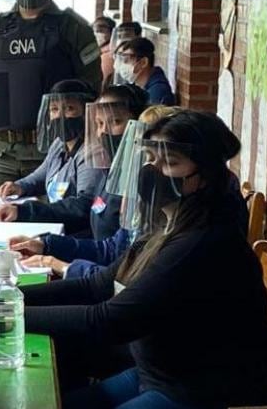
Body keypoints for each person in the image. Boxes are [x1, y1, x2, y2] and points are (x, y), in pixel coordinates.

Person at [22, 110, 267, 409]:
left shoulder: (203, 243)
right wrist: (4, 299)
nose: (153, 171)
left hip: (201, 399)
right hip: (157, 377)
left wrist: (10, 317)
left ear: (202, 176)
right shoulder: (167, 226)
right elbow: (98, 285)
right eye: (150, 159)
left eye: (169, 163)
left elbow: (109, 320)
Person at [0, 0, 102, 189]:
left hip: (52, 150)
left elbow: (90, 90)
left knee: (49, 219)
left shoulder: (74, 29)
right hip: (0, 152)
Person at [11, 105, 183, 279]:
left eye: (169, 162)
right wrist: (46, 245)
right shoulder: (142, 204)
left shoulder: (174, 228)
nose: (150, 167)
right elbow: (112, 250)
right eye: (147, 157)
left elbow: (121, 280)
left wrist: (59, 265)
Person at [0, 85, 148, 242]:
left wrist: (30, 216)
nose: (104, 131)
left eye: (115, 121)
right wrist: (48, 246)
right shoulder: (111, 170)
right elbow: (106, 246)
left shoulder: (104, 161)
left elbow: (85, 209)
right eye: (99, 123)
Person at [0, 79, 99, 206]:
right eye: (54, 109)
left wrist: (31, 212)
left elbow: (83, 205)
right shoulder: (59, 145)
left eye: (69, 108)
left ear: (86, 112)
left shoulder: (92, 153)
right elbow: (39, 177)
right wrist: (18, 186)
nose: (60, 116)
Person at [115, 37, 176, 105]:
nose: (123, 65)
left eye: (127, 60)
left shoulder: (157, 92)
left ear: (143, 62)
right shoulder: (139, 86)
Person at [92, 16, 116, 85]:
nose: (97, 33)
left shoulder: (108, 55)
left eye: (101, 30)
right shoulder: (99, 51)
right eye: (95, 30)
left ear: (111, 32)